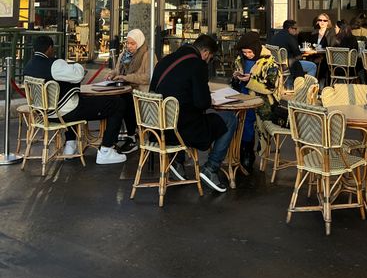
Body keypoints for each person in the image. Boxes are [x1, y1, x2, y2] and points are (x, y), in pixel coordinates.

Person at [149, 34, 237, 193]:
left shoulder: (165, 60)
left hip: (157, 128)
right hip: (182, 129)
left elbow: (153, 90)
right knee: (229, 119)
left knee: (184, 112)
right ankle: (211, 167)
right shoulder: (197, 65)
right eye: (210, 58)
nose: (208, 61)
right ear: (205, 53)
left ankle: (176, 161)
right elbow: (202, 103)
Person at [24, 35, 127, 164]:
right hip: (63, 113)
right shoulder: (54, 65)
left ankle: (70, 145)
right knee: (117, 103)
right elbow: (77, 75)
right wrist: (78, 65)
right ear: (50, 48)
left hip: (42, 114)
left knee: (74, 100)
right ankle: (106, 150)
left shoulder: (28, 66)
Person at [233, 31, 281, 172]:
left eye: (249, 52)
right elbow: (235, 81)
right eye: (244, 52)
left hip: (261, 102)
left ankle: (248, 154)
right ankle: (242, 152)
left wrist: (250, 80)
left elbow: (271, 86)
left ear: (256, 48)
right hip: (242, 98)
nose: (247, 54)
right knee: (240, 123)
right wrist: (236, 77)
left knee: (250, 123)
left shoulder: (269, 62)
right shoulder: (240, 59)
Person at [107, 28, 151, 154]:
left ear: (139, 42)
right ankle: (111, 138)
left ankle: (131, 137)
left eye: (133, 43)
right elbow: (117, 70)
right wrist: (112, 74)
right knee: (113, 102)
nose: (129, 46)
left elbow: (147, 77)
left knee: (125, 103)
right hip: (124, 89)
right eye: (128, 43)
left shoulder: (147, 54)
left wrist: (126, 78)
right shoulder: (124, 55)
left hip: (140, 93)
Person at [270, 20, 317, 84]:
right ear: (290, 29)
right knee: (312, 66)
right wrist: (306, 53)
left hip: (276, 65)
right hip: (288, 66)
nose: (296, 30)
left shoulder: (275, 36)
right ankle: (306, 87)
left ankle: (291, 86)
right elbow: (298, 55)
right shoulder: (290, 38)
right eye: (295, 28)